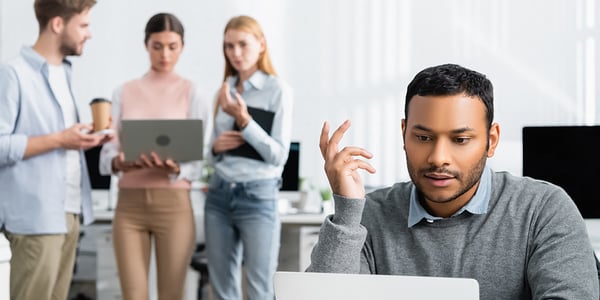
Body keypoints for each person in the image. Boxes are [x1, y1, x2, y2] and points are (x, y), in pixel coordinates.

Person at [308, 64, 599, 299]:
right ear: (404, 134)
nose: (438, 158)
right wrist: (347, 214)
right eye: (423, 137)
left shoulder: (543, 210)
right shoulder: (369, 215)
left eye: (460, 140)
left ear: (491, 140)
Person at [98, 13, 212, 300]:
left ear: (182, 47)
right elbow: (106, 152)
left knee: (171, 295)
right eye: (157, 46)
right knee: (133, 295)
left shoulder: (193, 93)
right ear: (146, 45)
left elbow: (200, 161)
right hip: (129, 208)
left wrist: (176, 168)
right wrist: (120, 161)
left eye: (172, 46)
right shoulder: (123, 92)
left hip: (174, 206)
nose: (165, 54)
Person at [0, 0, 107, 299]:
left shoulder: (65, 73)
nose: (89, 34)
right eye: (84, 25)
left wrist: (86, 137)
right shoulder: (13, 74)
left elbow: (60, 139)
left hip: (68, 212)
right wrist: (60, 139)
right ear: (58, 24)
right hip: (35, 216)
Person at [204, 15, 293, 300]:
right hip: (219, 194)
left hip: (258, 197)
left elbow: (278, 156)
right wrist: (216, 148)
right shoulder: (224, 90)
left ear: (262, 45)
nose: (236, 53)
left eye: (243, 44)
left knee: (259, 289)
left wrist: (244, 121)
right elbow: (211, 156)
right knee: (221, 289)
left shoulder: (277, 91)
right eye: (229, 46)